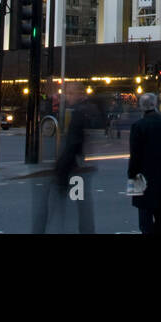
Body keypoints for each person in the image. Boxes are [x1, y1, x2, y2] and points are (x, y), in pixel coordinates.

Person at [47, 81, 97, 234]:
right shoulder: (87, 109)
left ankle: (83, 230)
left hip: (77, 167)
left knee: (77, 204)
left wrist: (61, 168)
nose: (66, 96)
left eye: (69, 93)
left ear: (79, 93)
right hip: (81, 165)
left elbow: (74, 142)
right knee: (80, 203)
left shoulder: (80, 112)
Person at [127, 91, 161, 235]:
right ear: (155, 105)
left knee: (144, 214)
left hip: (141, 175)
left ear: (142, 107)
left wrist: (132, 174)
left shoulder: (138, 126)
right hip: (160, 174)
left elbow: (135, 154)